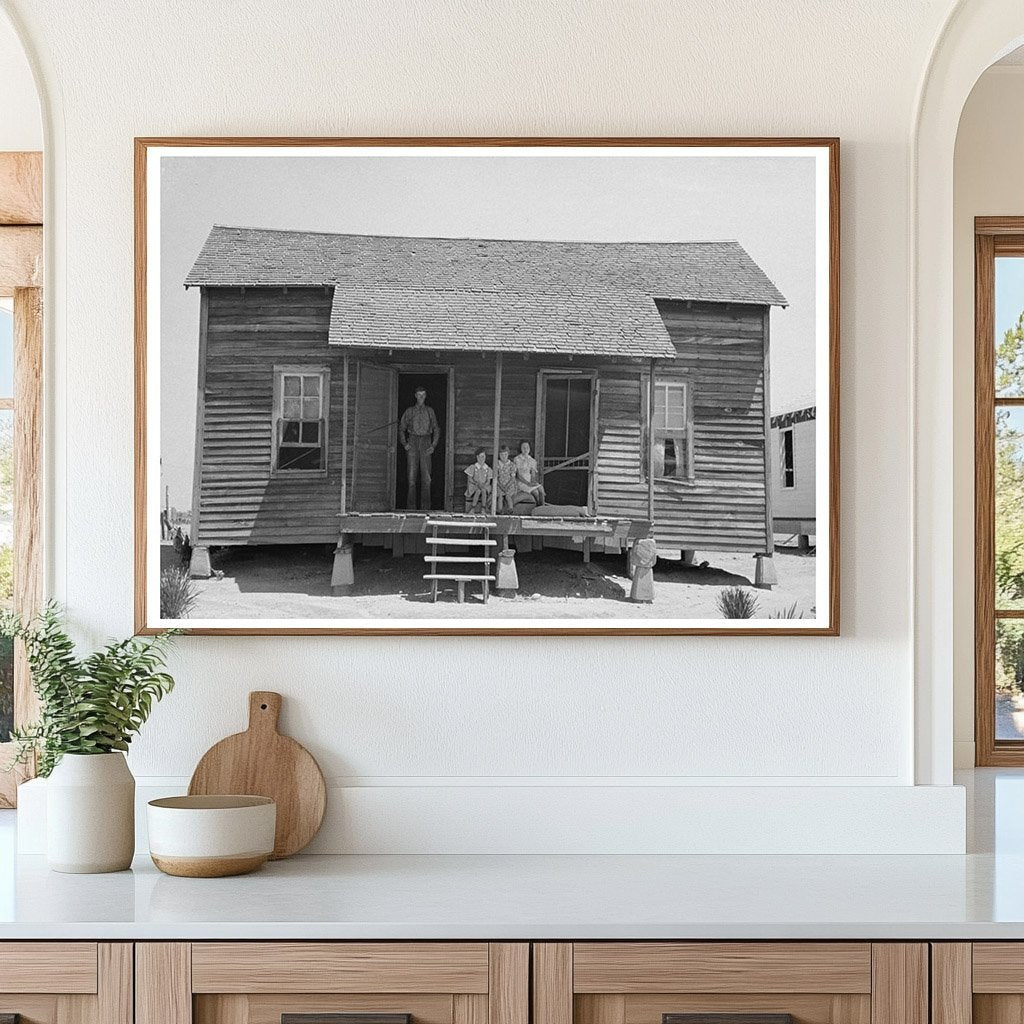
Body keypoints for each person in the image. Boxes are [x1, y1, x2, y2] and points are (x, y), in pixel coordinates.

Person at [399, 386, 441, 510]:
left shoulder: (430, 411)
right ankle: (411, 508)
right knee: (411, 478)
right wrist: (404, 443)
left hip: (426, 441)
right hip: (412, 440)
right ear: (415, 396)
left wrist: (433, 445)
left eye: (423, 395)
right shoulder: (409, 411)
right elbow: (401, 428)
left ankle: (425, 508)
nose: (421, 397)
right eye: (419, 395)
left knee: (426, 478)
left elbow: (436, 428)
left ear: (426, 396)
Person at [513, 440, 545, 505]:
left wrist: (533, 482)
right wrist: (528, 483)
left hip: (529, 481)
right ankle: (538, 507)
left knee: (541, 489)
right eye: (523, 448)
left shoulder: (532, 460)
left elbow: (533, 474)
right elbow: (518, 475)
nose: (526, 449)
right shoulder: (517, 459)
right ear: (520, 449)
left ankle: (542, 507)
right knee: (536, 492)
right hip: (521, 482)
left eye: (527, 447)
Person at [464, 447, 493, 512]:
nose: (481, 458)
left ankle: (483, 508)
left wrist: (484, 485)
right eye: (479, 457)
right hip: (474, 485)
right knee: (478, 491)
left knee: (483, 490)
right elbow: (470, 478)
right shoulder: (473, 467)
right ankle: (473, 508)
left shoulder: (488, 469)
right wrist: (476, 483)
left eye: (483, 456)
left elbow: (488, 481)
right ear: (477, 457)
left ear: (485, 457)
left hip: (484, 486)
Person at [495, 445, 517, 512]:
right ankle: (500, 510)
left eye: (505, 454)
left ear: (508, 454)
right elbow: (496, 477)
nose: (503, 456)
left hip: (509, 485)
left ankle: (510, 509)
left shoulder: (512, 465)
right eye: (501, 454)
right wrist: (501, 486)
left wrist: (507, 486)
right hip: (499, 485)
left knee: (508, 496)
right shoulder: (497, 464)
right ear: (499, 455)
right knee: (500, 497)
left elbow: (513, 478)